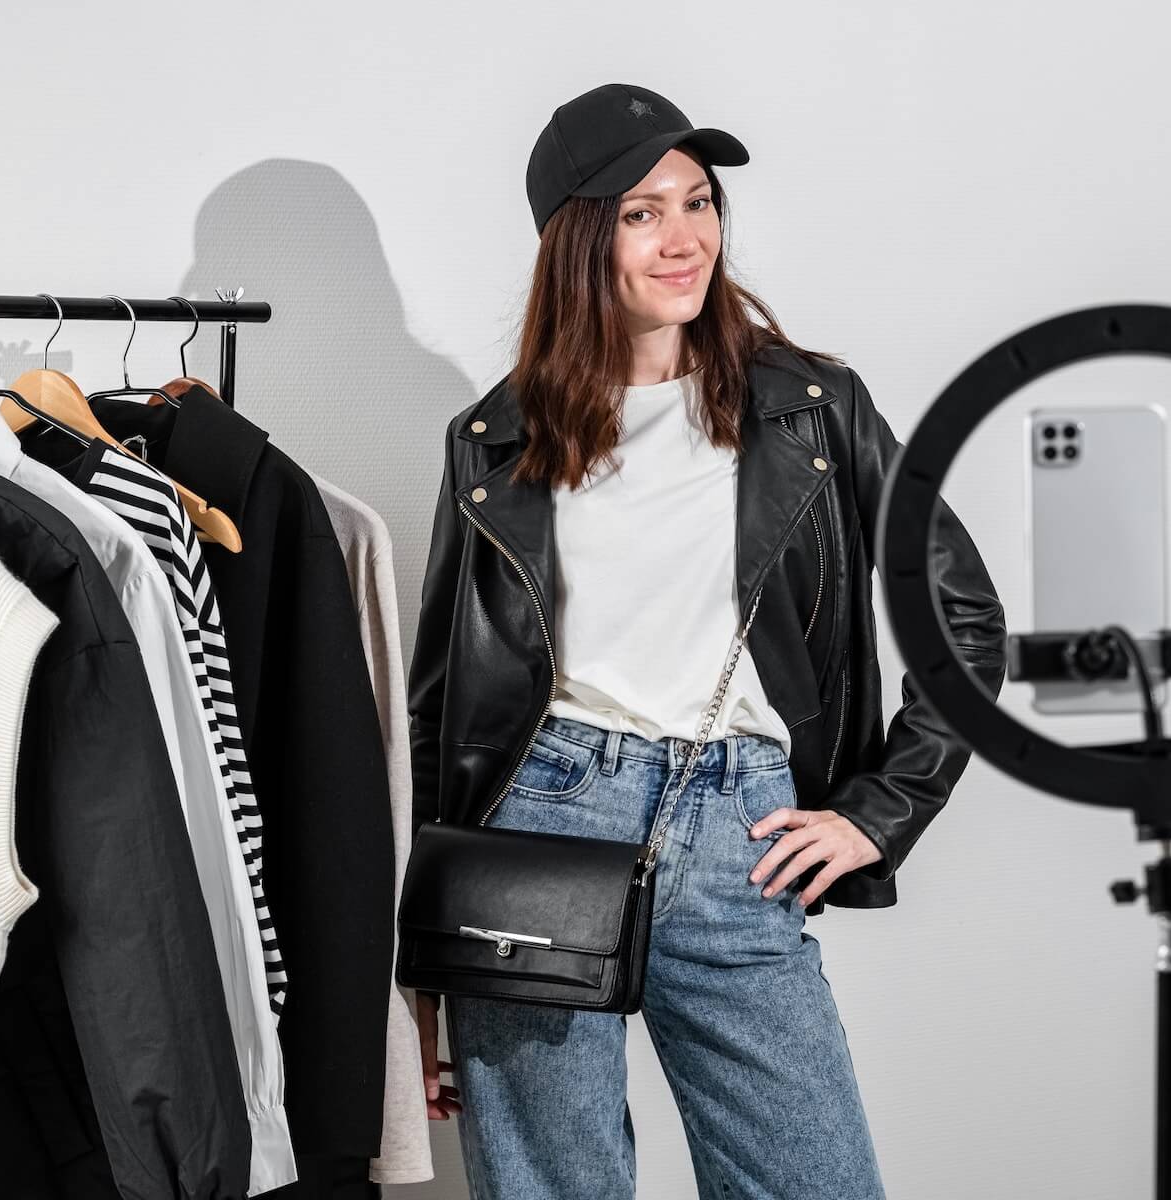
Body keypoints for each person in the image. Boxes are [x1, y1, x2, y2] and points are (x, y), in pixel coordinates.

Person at [404, 81, 1007, 1200]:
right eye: (642, 212)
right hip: (541, 823)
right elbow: (442, 705)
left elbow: (962, 616)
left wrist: (884, 810)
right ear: (578, 238)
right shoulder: (493, 440)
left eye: (699, 202)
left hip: (745, 826)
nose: (685, 239)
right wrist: (426, 957)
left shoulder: (812, 406)